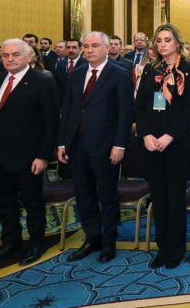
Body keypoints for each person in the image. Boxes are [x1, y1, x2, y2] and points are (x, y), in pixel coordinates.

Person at [57, 31, 134, 264]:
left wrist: (119, 144)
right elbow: (68, 110)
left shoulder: (119, 74)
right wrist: (62, 142)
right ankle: (92, 238)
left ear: (107, 48)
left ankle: (109, 242)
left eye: (94, 46)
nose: (89, 50)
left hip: (106, 146)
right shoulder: (77, 73)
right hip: (77, 145)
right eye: (86, 46)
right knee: (83, 194)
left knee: (107, 194)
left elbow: (125, 114)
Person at [0, 39, 59, 266]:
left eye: (16, 54)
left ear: (29, 56)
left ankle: (36, 243)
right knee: (3, 203)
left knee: (32, 203)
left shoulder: (42, 81)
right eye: (5, 55)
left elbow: (50, 122)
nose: (10, 59)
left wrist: (43, 155)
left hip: (29, 157)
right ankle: (11, 243)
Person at [135, 24, 190, 269]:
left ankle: (176, 249)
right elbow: (140, 106)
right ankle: (162, 248)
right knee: (158, 198)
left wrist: (169, 136)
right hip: (151, 144)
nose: (162, 44)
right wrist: (146, 135)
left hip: (177, 144)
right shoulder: (150, 70)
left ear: (177, 43)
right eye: (159, 40)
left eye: (167, 40)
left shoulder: (189, 70)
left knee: (174, 197)